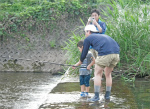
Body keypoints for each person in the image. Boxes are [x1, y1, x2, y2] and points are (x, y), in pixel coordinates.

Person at [74, 25, 120, 102]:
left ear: (88, 31)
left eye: (85, 32)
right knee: (108, 74)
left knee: (97, 73)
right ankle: (107, 96)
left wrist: (80, 61)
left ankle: (96, 97)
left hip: (105, 53)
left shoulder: (88, 38)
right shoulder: (101, 36)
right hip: (116, 54)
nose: (85, 34)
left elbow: (84, 53)